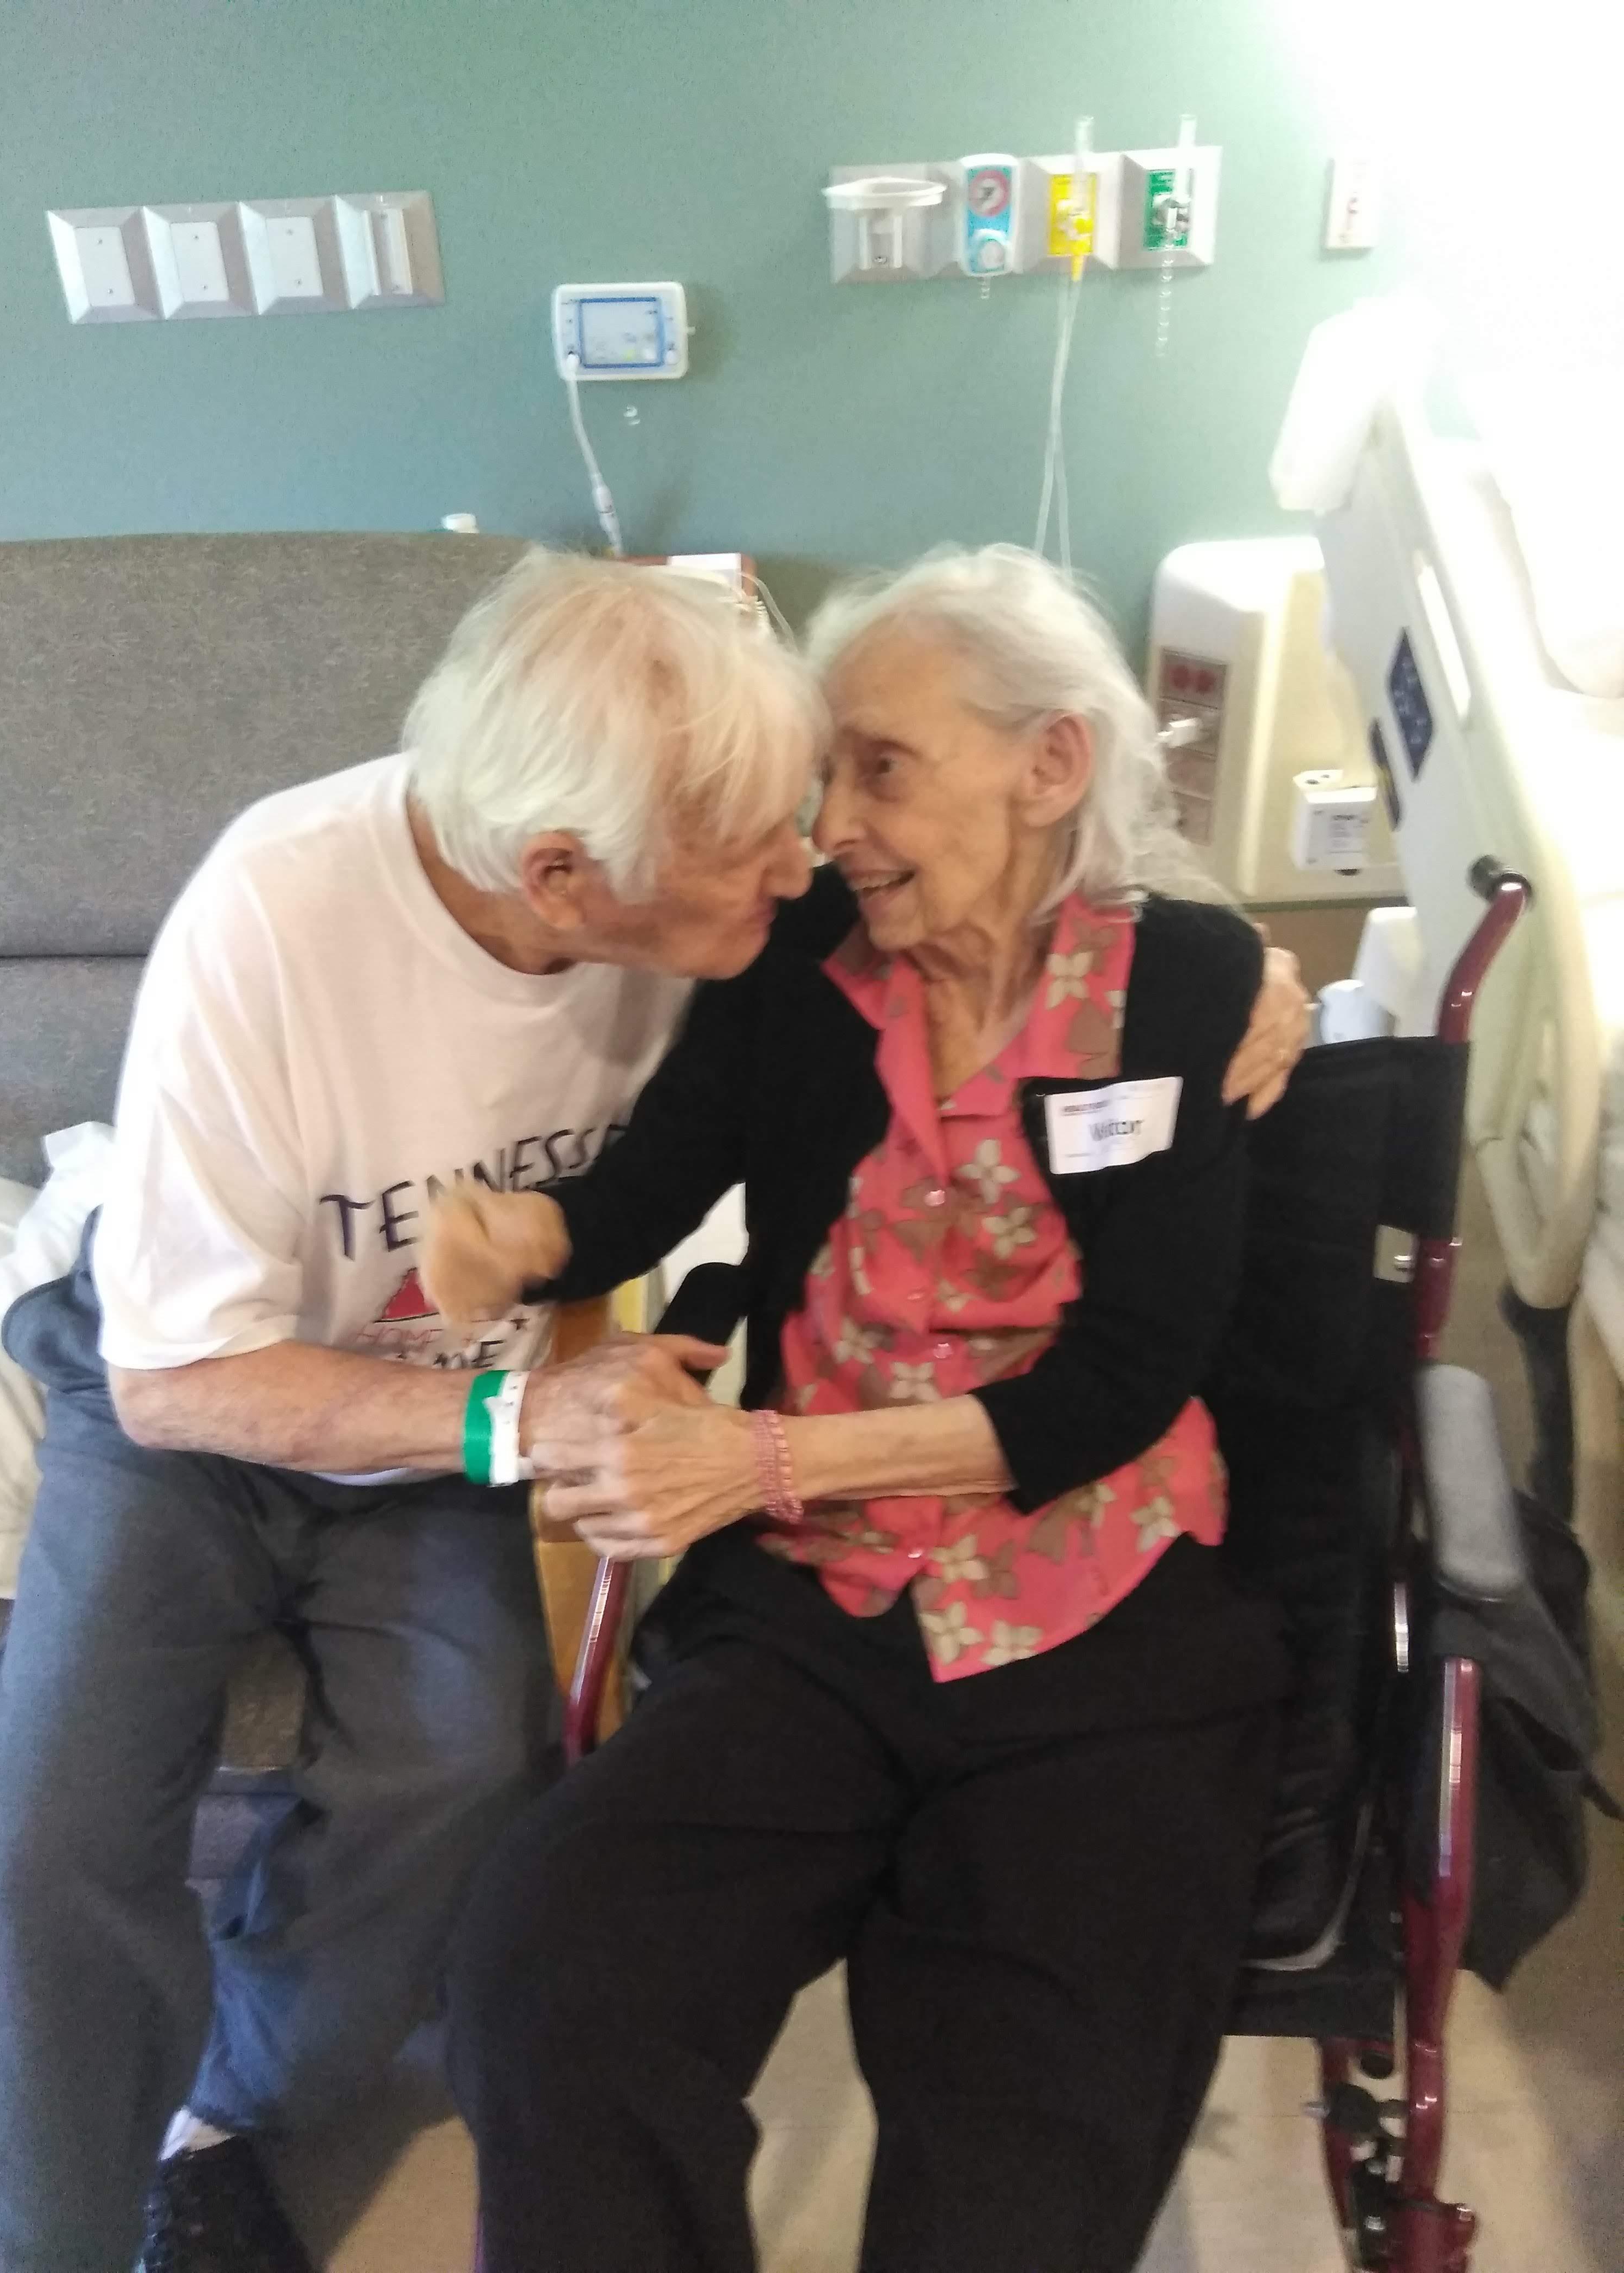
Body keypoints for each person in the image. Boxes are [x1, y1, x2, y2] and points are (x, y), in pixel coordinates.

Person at [0, 553, 820, 2273]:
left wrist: (1246, 985)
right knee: (47, 1838)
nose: (803, 869)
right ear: (563, 878)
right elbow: (175, 1374)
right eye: (762, 853)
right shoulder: (276, 912)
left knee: (470, 1760)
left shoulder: (719, 887)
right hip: (195, 1404)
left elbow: (990, 888)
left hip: (446, 1418)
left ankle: (232, 2105)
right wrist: (518, 1429)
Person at [430, 544, 1305, 2273]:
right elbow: (657, 1176)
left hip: (1100, 1629)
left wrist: (751, 1455)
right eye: (828, 768)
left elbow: (1121, 1386)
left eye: (880, 767)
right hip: (815, 1607)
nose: (830, 821)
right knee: (549, 1974)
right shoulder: (805, 960)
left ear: (1050, 765)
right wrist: (526, 1234)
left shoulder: (1188, 988)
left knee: (1016, 2175)